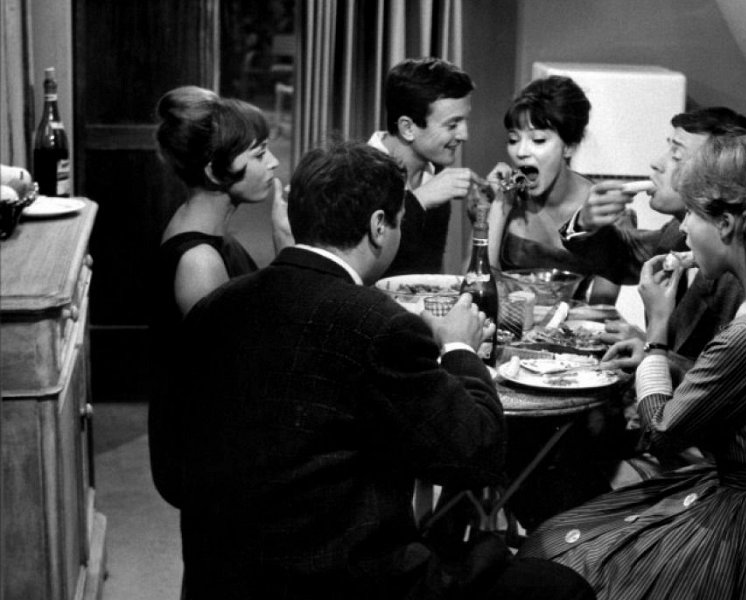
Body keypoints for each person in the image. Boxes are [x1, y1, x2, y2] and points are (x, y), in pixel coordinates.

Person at [162, 141, 595, 599]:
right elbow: (477, 454)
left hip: (219, 580)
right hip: (343, 584)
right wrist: (458, 347)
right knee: (562, 588)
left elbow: (174, 468)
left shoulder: (213, 307)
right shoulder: (378, 324)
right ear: (378, 227)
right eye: (400, 221)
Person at [519, 134, 746, 600]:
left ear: (725, 225)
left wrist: (657, 333)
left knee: (569, 558)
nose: (683, 229)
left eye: (692, 215)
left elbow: (662, 432)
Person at [148, 85, 287, 506]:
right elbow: (237, 379)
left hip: (218, 438)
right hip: (205, 457)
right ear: (214, 171)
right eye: (259, 154)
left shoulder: (205, 230)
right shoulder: (199, 261)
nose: (273, 163)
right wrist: (288, 251)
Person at [560, 107, 746, 370]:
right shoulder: (677, 230)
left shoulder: (740, 275)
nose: (657, 163)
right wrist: (586, 222)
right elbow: (623, 258)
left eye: (676, 155)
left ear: (720, 177)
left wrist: (653, 349)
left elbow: (728, 378)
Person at [484, 75, 627, 303]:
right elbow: (477, 284)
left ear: (569, 147)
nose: (521, 152)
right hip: (506, 320)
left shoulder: (602, 208)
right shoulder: (506, 196)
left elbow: (602, 308)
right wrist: (499, 204)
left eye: (538, 140)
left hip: (574, 324)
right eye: (513, 139)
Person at [369, 57, 478, 276]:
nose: (464, 135)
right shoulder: (355, 177)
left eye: (464, 121)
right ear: (407, 128)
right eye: (452, 124)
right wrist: (419, 201)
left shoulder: (436, 174)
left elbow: (427, 274)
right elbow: (357, 272)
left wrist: (480, 219)